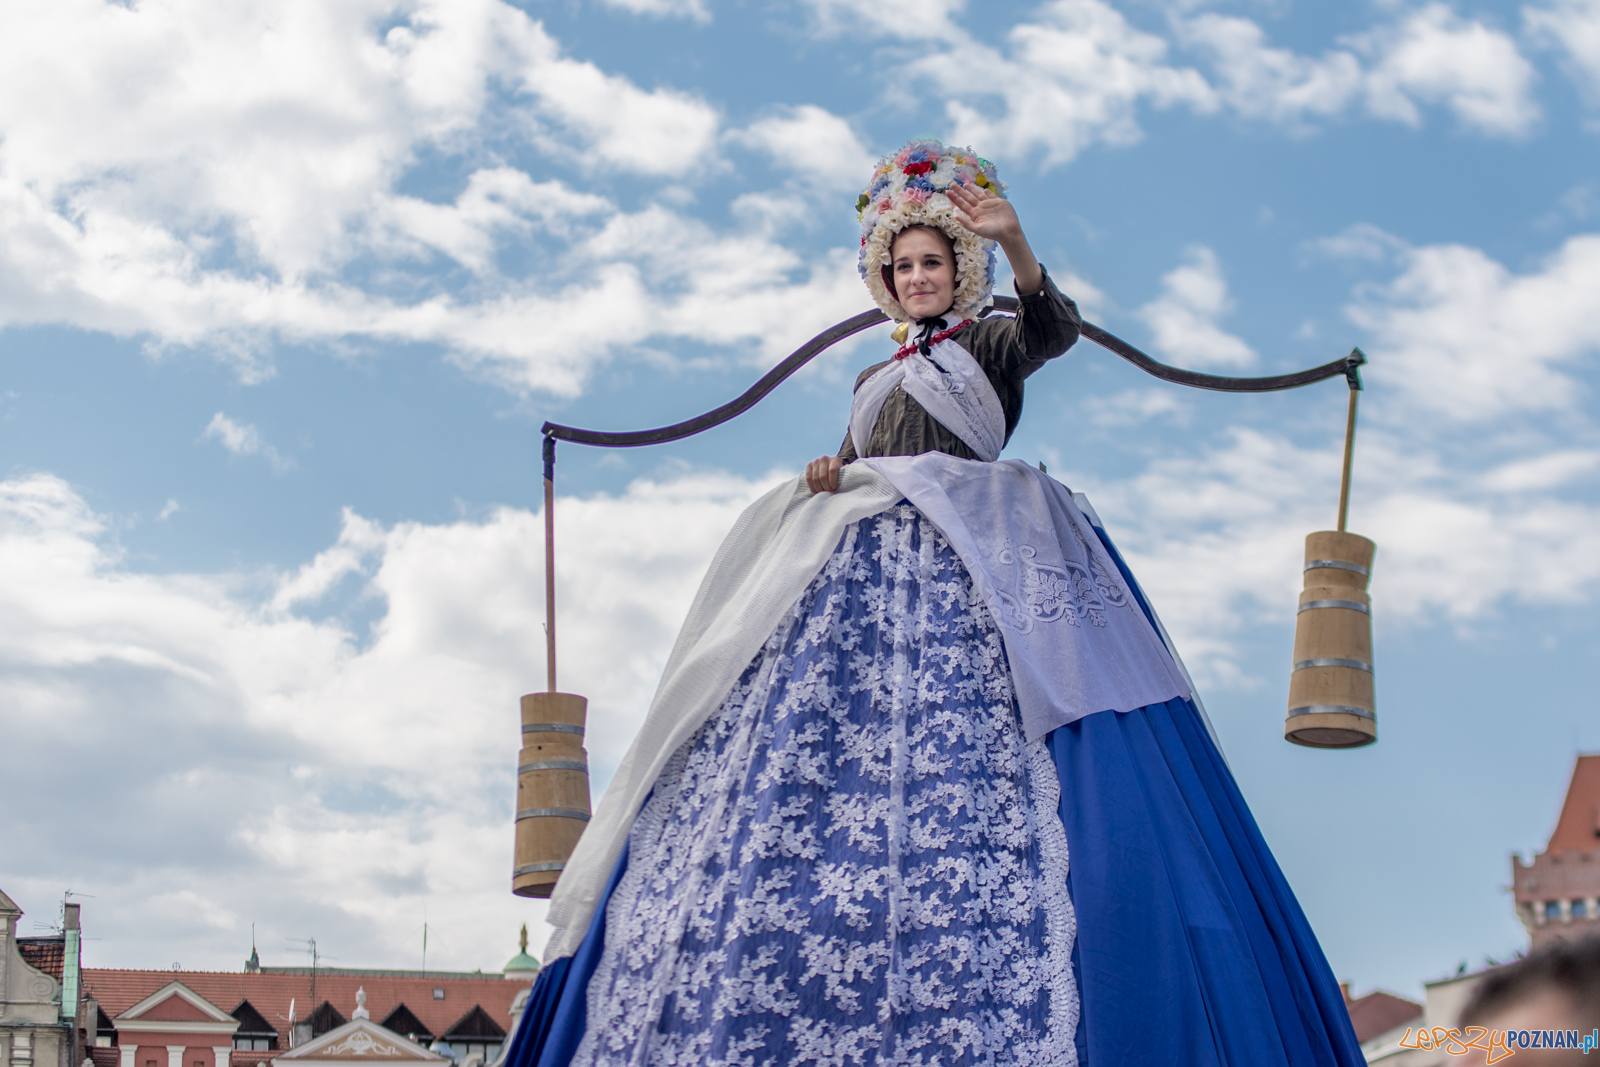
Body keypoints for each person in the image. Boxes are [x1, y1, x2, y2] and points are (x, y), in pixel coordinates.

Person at [506, 140, 1364, 1067]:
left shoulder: (989, 339)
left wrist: (1020, 246)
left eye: (933, 261)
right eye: (903, 264)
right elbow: (856, 451)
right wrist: (830, 470)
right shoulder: (874, 376)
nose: (918, 276)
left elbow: (1054, 332)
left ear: (960, 270)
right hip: (864, 569)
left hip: (980, 556)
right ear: (886, 276)